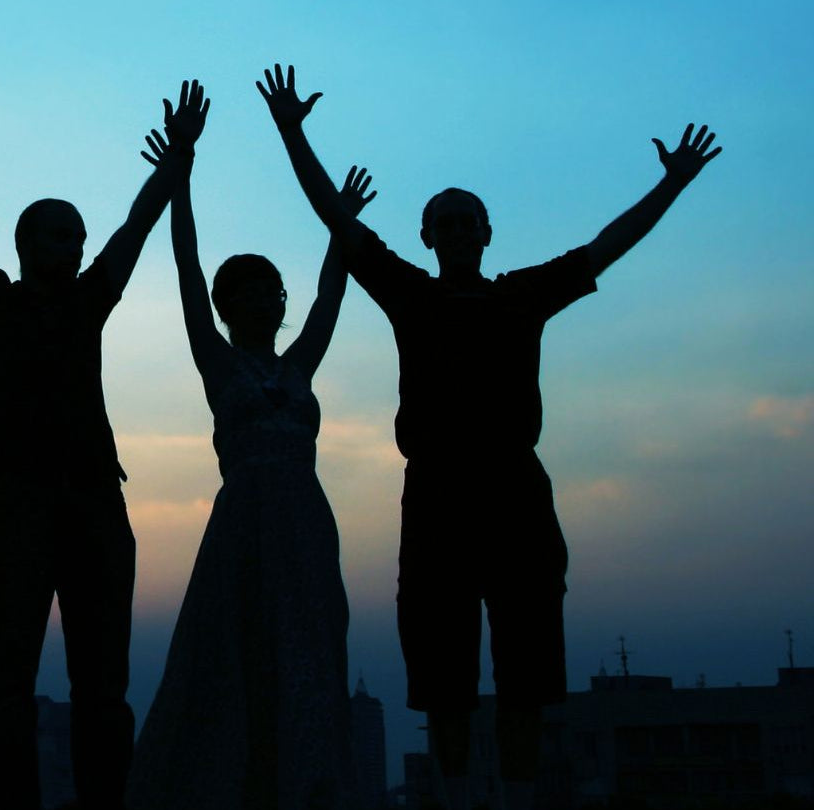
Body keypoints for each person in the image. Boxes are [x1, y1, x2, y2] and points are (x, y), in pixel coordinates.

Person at [257, 63, 721, 810]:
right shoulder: (411, 293)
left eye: (466, 221)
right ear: (426, 236)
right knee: (443, 681)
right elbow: (336, 221)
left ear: (486, 233)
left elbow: (608, 245)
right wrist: (291, 133)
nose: (456, 231)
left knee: (526, 676)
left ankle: (519, 798)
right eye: (443, 223)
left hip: (515, 495)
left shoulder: (522, 296)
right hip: (437, 497)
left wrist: (673, 185)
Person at [0, 55, 208, 810]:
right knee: (9, 684)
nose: (76, 246)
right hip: (19, 505)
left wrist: (177, 159)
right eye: (62, 235)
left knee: (104, 687)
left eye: (79, 237)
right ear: (28, 243)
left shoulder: (89, 302)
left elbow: (135, 228)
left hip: (95, 503)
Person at [126, 115, 375, 809]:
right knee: (232, 654)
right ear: (228, 304)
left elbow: (331, 294)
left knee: (308, 653)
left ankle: (309, 786)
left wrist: (342, 224)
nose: (266, 298)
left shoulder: (298, 365)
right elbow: (186, 265)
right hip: (243, 525)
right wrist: (181, 173)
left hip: (305, 524)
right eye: (251, 290)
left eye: (273, 288)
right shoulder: (219, 362)